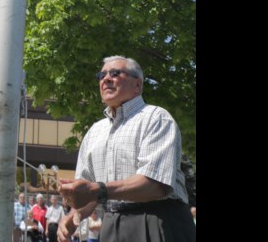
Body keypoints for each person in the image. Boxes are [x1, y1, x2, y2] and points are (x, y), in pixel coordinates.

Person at [58, 55, 196, 242]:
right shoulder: (94, 131)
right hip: (111, 224)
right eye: (102, 74)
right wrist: (73, 216)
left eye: (115, 73)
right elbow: (88, 192)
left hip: (158, 220)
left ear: (137, 85)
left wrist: (97, 190)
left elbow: (155, 185)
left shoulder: (156, 118)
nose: (106, 78)